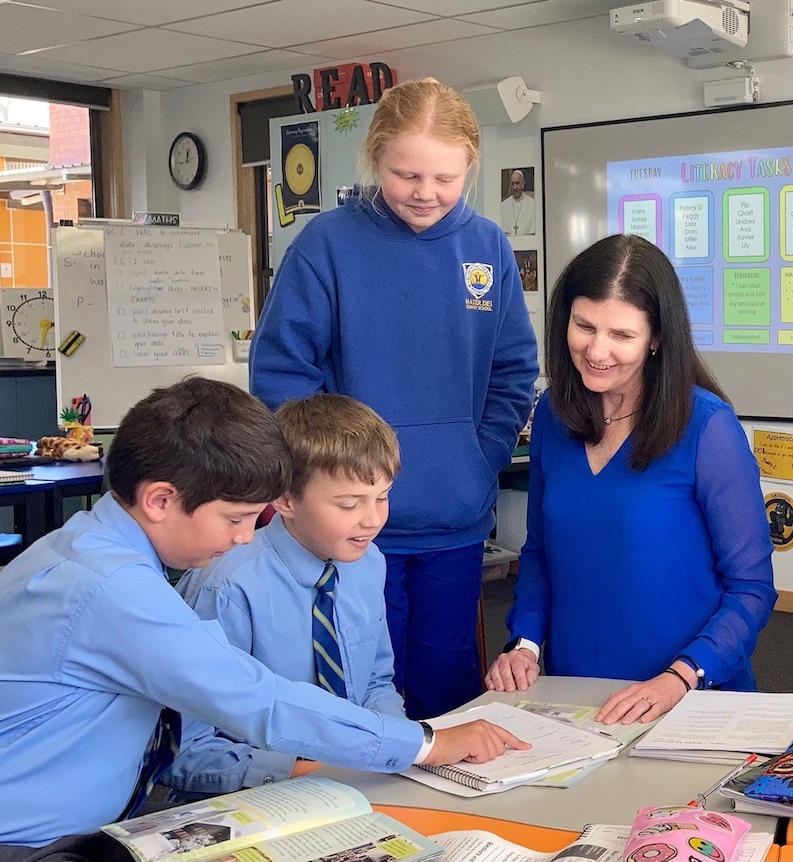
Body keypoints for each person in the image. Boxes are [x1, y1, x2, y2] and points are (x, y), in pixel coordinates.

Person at [0, 377, 526, 858]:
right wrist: (425, 743)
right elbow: (257, 700)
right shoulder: (113, 587)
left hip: (90, 828)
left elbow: (371, 682)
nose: (245, 536)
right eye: (234, 518)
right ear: (160, 499)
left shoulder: (91, 549)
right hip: (35, 844)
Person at [250, 78, 539, 720]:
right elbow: (281, 376)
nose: (426, 193)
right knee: (357, 697)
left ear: (470, 166)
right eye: (407, 175)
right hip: (349, 529)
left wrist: (479, 453)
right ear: (374, 158)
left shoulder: (488, 247)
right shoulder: (326, 245)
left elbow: (514, 368)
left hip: (453, 523)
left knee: (447, 693)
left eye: (445, 178)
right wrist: (333, 477)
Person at [484, 234, 777, 724]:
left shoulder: (708, 427)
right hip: (572, 693)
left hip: (688, 694)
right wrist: (525, 644)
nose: (597, 351)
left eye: (621, 335)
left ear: (657, 338)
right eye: (584, 327)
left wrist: (682, 676)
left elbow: (752, 588)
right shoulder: (554, 416)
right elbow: (540, 555)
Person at [162, 393, 407, 797]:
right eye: (348, 504)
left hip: (356, 782)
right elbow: (185, 751)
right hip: (251, 796)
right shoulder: (227, 587)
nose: (373, 519)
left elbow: (376, 684)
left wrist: (395, 747)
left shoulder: (367, 563)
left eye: (382, 497)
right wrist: (309, 771)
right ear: (285, 499)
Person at [500, 169, 536, 237]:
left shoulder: (532, 204)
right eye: (512, 184)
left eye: (517, 183)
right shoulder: (503, 205)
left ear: (523, 184)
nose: (515, 187)